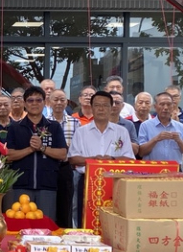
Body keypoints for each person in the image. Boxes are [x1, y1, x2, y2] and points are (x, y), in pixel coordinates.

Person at [66, 91, 135, 228]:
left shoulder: (121, 132)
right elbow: (72, 159)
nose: (101, 109)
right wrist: (92, 160)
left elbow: (129, 159)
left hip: (115, 182)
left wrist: (112, 159)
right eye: (97, 105)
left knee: (114, 221)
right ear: (91, 108)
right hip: (87, 182)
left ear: (111, 108)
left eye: (105, 105)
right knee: (85, 221)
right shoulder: (81, 131)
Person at [5, 85, 67, 220]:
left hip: (47, 185)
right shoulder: (15, 127)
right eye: (30, 100)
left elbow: (63, 154)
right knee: (19, 226)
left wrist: (42, 148)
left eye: (38, 100)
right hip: (21, 184)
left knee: (46, 225)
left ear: (45, 103)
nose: (34, 103)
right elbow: (8, 155)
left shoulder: (54, 126)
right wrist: (30, 149)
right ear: (24, 104)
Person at [50, 89, 80, 229]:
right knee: (49, 205)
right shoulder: (45, 122)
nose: (59, 103)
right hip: (49, 167)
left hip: (66, 167)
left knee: (66, 205)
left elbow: (79, 146)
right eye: (55, 99)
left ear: (67, 102)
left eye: (62, 100)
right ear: (49, 102)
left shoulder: (75, 122)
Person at [138, 92, 183, 164]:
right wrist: (156, 139)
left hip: (174, 170)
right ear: (155, 107)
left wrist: (179, 141)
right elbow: (141, 152)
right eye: (162, 104)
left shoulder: (180, 127)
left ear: (173, 107)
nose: (166, 107)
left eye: (169, 104)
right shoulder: (145, 125)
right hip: (152, 170)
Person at [108, 91, 140, 157]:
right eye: (111, 102)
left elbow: (136, 150)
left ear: (122, 106)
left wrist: (122, 141)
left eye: (117, 103)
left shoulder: (129, 124)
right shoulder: (98, 123)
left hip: (122, 163)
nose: (114, 105)